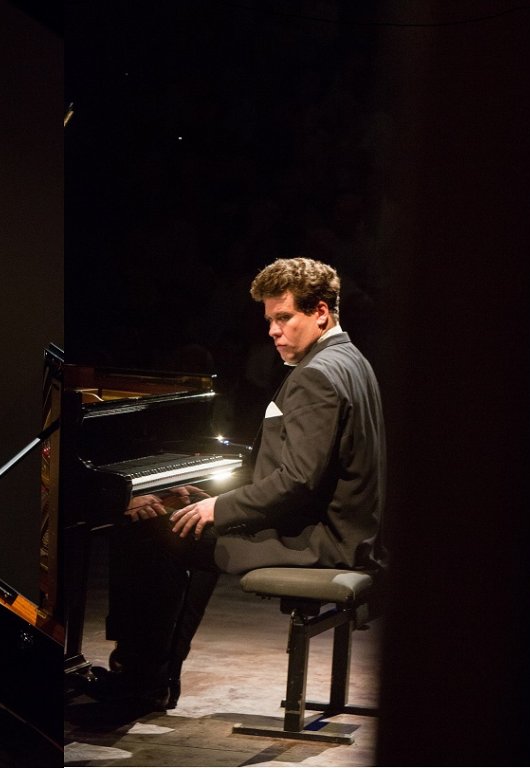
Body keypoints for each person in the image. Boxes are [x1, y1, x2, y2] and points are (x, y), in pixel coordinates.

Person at [87, 256, 388, 711]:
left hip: (319, 541)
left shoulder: (315, 377)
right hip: (347, 530)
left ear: (321, 312)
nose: (273, 331)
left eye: (284, 317)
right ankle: (157, 675)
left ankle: (138, 679)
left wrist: (220, 509)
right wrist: (220, 502)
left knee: (147, 531)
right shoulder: (351, 360)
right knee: (189, 527)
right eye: (270, 320)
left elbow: (297, 481)